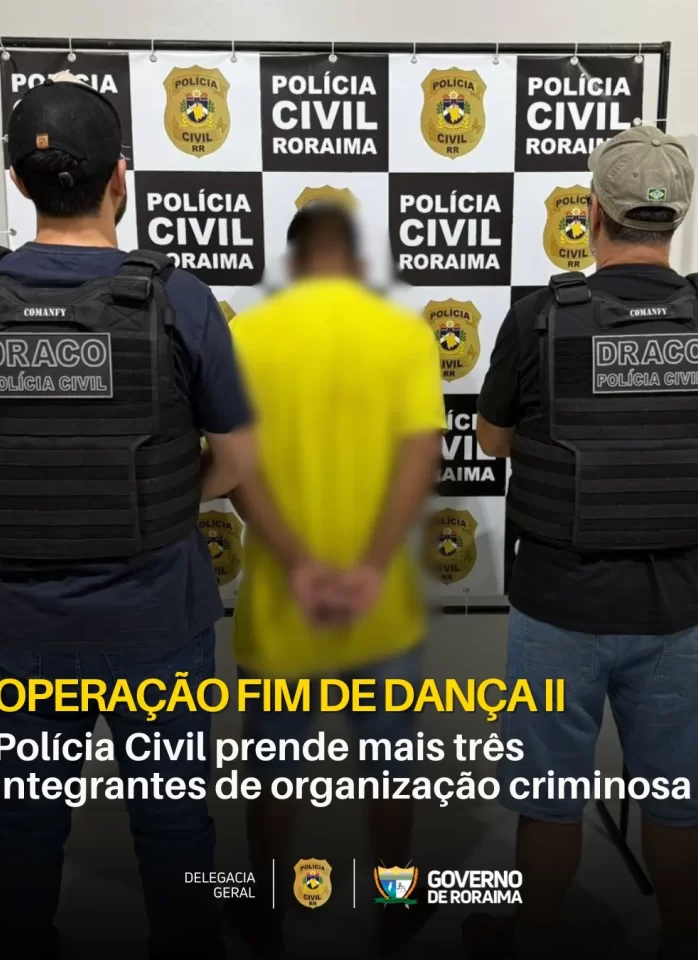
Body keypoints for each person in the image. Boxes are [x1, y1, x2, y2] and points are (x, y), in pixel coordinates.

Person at [0, 75, 256, 959]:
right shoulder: (178, 299)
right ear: (120, 176)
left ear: (17, 181)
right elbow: (238, 463)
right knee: (174, 830)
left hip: (24, 630)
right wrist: (154, 489)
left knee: (23, 830)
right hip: (155, 625)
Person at [466, 125, 698, 960]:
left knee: (548, 797)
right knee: (677, 795)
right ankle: (682, 938)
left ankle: (534, 937)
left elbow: (493, 443)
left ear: (591, 211)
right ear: (676, 215)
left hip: (559, 607)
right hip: (678, 606)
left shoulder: (541, 318)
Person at [226, 203, 446, 956]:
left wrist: (300, 566)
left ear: (291, 267)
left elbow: (236, 468)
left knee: (273, 777)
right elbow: (422, 456)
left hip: (280, 605)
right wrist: (370, 566)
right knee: (390, 775)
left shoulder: (245, 337)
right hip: (378, 607)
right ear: (356, 263)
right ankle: (394, 907)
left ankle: (266, 915)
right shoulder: (403, 334)